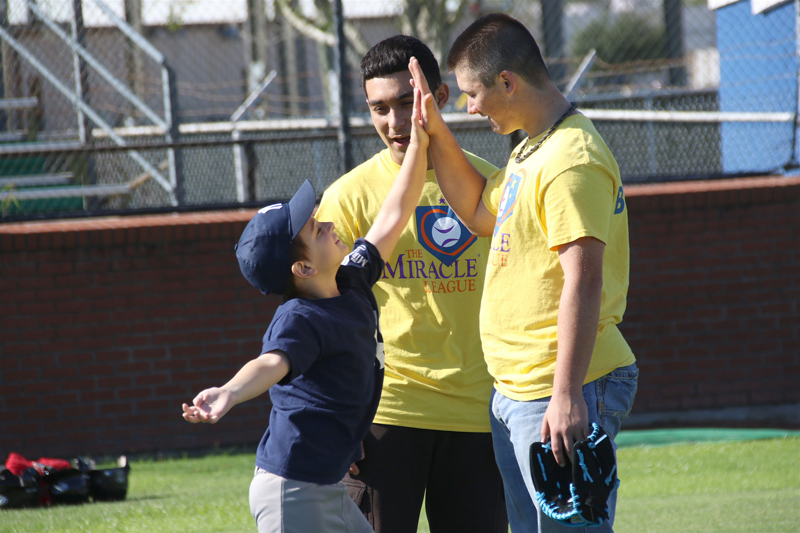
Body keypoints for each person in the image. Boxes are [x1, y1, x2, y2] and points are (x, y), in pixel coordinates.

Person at [408, 13, 639, 533]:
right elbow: (477, 212)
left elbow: (584, 278)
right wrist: (435, 131)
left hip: (554, 389)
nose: (469, 107)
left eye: (472, 93)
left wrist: (565, 394)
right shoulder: (532, 149)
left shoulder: (570, 159)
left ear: (507, 82)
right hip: (517, 390)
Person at [181, 79, 430, 533]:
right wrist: (230, 393)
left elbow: (395, 211)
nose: (330, 223)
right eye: (317, 230)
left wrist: (420, 137)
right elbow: (271, 363)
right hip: (291, 490)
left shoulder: (351, 280)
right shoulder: (300, 318)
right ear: (302, 270)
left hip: (322, 485)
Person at [316, 35, 508, 533]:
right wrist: (339, 416)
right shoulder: (348, 198)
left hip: (478, 416)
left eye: (407, 101)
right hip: (384, 416)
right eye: (379, 108)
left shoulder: (492, 187)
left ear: (440, 98)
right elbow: (319, 317)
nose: (394, 122)